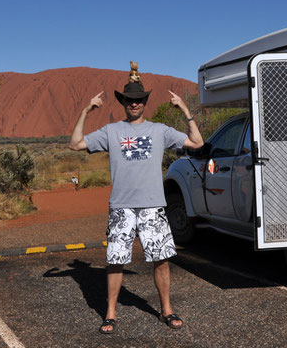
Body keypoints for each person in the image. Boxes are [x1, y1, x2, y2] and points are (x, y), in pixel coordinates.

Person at [69, 75, 203, 334]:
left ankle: (166, 309)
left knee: (161, 260)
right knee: (116, 261)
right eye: (130, 100)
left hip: (153, 206)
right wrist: (86, 111)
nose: (134, 104)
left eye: (139, 100)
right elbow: (75, 144)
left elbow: (197, 143)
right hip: (122, 207)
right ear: (124, 103)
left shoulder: (160, 130)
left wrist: (186, 111)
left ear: (144, 102)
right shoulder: (111, 131)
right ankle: (110, 313)